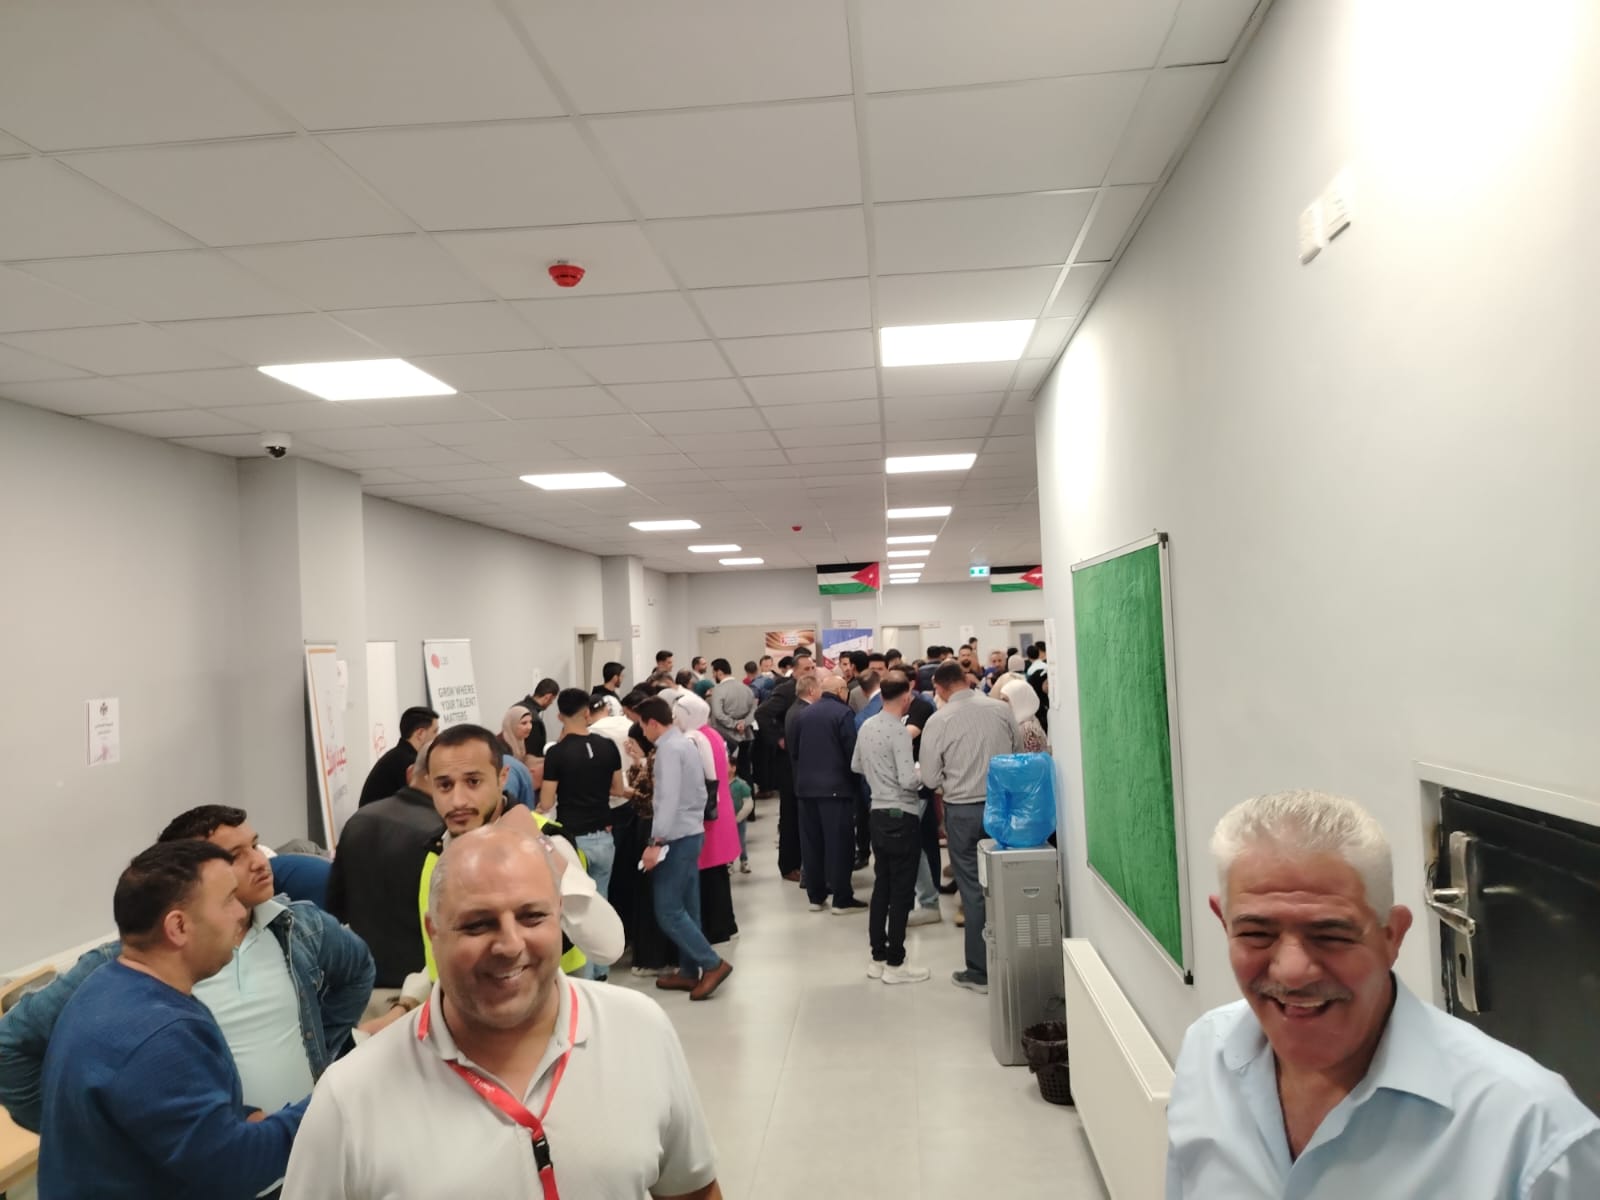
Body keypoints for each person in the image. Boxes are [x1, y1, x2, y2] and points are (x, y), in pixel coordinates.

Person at [1166, 791, 1600, 1197]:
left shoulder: (1535, 1136)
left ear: (1392, 936)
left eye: (1331, 935)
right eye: (1256, 933)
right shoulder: (1206, 1055)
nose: (1293, 972)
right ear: (1224, 923)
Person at [281, 825, 722, 1199]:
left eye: (532, 917)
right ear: (433, 932)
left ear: (559, 917)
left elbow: (692, 1189)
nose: (510, 945)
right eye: (478, 924)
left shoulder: (639, 1030)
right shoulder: (350, 1097)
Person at [0, 806, 373, 1137]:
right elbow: (9, 1044)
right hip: (204, 1174)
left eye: (255, 845)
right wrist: (86, 1130)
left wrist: (320, 1048)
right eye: (235, 856)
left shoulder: (300, 927)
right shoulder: (132, 962)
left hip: (298, 1152)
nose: (260, 862)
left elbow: (358, 972)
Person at [36, 840, 307, 1199]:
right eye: (228, 900)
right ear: (178, 926)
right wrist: (328, 1104)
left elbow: (150, 1111)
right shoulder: (160, 1035)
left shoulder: (106, 987)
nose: (241, 912)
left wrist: (236, 1118)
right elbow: (235, 1170)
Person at [920, 660, 1024, 993]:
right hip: (1003, 808)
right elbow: (1019, 754)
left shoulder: (939, 720)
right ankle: (1018, 963)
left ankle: (980, 971)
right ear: (966, 680)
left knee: (973, 889)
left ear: (939, 687)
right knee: (1008, 883)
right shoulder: (1001, 710)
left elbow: (929, 778)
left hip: (962, 812)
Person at [638, 697, 734, 1001]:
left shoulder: (668, 750)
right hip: (692, 831)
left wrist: (656, 841)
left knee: (668, 909)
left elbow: (667, 798)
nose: (642, 732)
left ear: (653, 723)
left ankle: (712, 963)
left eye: (642, 726)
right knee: (689, 908)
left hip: (675, 837)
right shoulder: (687, 742)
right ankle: (689, 970)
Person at [327, 748, 446, 987]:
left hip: (360, 980)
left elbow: (335, 906)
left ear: (411, 773)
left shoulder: (359, 819)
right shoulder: (441, 835)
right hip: (418, 985)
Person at [540, 688, 629, 980]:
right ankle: (603, 970)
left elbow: (547, 802)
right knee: (602, 901)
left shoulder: (556, 753)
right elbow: (618, 789)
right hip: (604, 835)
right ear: (588, 712)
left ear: (559, 717)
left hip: (573, 841)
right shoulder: (607, 747)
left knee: (579, 911)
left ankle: (587, 977)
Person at [851, 677, 930, 983]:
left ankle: (878, 957)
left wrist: (879, 775)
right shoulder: (899, 732)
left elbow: (856, 765)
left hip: (878, 814)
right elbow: (908, 781)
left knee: (882, 886)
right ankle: (896, 963)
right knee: (901, 892)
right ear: (906, 697)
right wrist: (923, 774)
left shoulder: (867, 726)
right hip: (901, 814)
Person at [791, 673, 865, 915]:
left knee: (812, 844)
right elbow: (852, 752)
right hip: (836, 788)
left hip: (806, 789)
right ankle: (842, 899)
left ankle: (816, 896)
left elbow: (795, 751)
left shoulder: (804, 714)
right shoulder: (843, 714)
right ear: (842, 691)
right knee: (840, 844)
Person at [673, 691, 740, 945]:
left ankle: (714, 928)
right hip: (720, 809)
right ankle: (726, 923)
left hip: (705, 814)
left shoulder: (693, 739)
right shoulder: (712, 734)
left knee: (707, 874)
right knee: (717, 872)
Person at [358, 705, 438, 807]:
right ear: (420, 733)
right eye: (435, 731)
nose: (437, 737)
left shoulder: (398, 755)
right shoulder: (408, 762)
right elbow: (421, 802)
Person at [708, 658, 756, 784]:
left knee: (729, 772)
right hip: (745, 735)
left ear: (719, 672)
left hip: (726, 736)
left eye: (713, 672)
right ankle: (749, 795)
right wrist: (744, 723)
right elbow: (754, 710)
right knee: (745, 768)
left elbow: (718, 714)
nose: (713, 676)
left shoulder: (718, 690)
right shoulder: (746, 688)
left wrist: (734, 724)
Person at [499, 704, 539, 809]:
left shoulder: (520, 741)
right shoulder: (501, 746)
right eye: (524, 723)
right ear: (512, 724)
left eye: (530, 722)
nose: (529, 727)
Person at [1001, 678, 1050, 753]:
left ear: (1018, 699)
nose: (1002, 704)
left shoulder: (1028, 729)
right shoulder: (1025, 721)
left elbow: (1032, 758)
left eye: (1006, 700)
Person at [515, 678, 561, 759]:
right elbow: (535, 752)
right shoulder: (534, 720)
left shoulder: (516, 707)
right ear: (548, 697)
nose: (551, 703)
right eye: (552, 700)